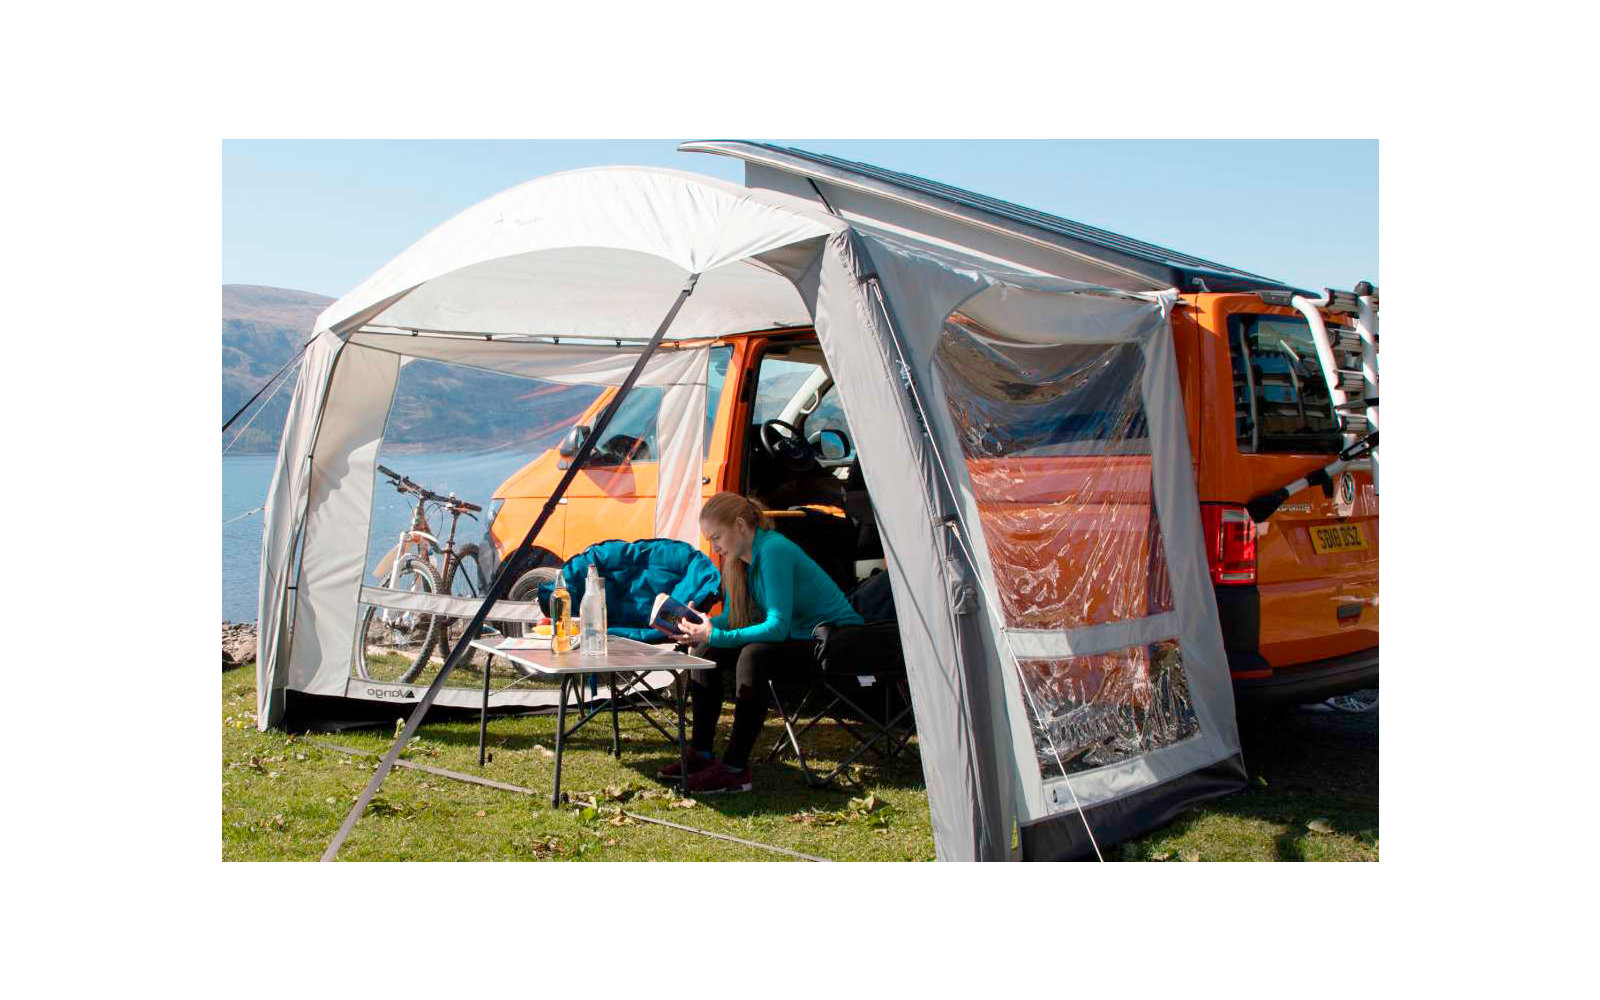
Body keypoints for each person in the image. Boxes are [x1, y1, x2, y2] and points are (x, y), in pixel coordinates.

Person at [662, 491, 863, 794]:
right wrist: (697, 622)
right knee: (707, 649)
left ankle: (735, 768)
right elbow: (732, 617)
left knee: (754, 655)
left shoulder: (774, 551)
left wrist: (715, 633)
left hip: (835, 643)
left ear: (740, 525)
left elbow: (777, 627)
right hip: (800, 639)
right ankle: (701, 754)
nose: (714, 548)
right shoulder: (739, 559)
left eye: (717, 538)